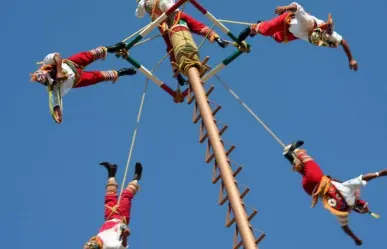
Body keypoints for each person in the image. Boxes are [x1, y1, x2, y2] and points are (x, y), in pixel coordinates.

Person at [283, 140, 387, 246]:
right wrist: (355, 238)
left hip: (316, 179)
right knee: (304, 168)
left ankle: (294, 149)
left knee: (309, 162)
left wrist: (379, 174)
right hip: (309, 189)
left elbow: (363, 178)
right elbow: (345, 228)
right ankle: (289, 156)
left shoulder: (348, 190)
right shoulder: (342, 212)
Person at [30, 42, 137, 124]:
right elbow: (55, 102)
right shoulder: (53, 88)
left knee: (89, 54)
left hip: (72, 63)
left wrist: (58, 72)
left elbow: (56, 56)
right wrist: (57, 113)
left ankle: (112, 48)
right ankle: (121, 72)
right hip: (78, 80)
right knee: (97, 77)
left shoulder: (47, 62)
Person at [237, 2, 358, 71]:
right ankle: (255, 28)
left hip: (293, 33)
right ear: (315, 30)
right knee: (265, 30)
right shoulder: (307, 21)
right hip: (286, 21)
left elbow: (344, 42)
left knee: (279, 39)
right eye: (313, 34)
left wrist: (351, 59)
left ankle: (267, 29)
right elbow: (296, 6)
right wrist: (285, 8)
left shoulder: (329, 36)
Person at [135, 0, 228, 86]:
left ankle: (216, 38)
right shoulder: (143, 3)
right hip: (167, 21)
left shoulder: (143, 3)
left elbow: (139, 14)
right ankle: (216, 38)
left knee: (171, 47)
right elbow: (139, 14)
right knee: (195, 27)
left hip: (169, 19)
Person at [84, 161, 143, 249]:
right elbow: (122, 246)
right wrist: (125, 235)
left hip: (110, 217)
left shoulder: (98, 239)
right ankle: (136, 177)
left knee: (110, 196)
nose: (91, 242)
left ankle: (111, 172)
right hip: (121, 217)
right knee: (126, 196)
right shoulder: (108, 246)